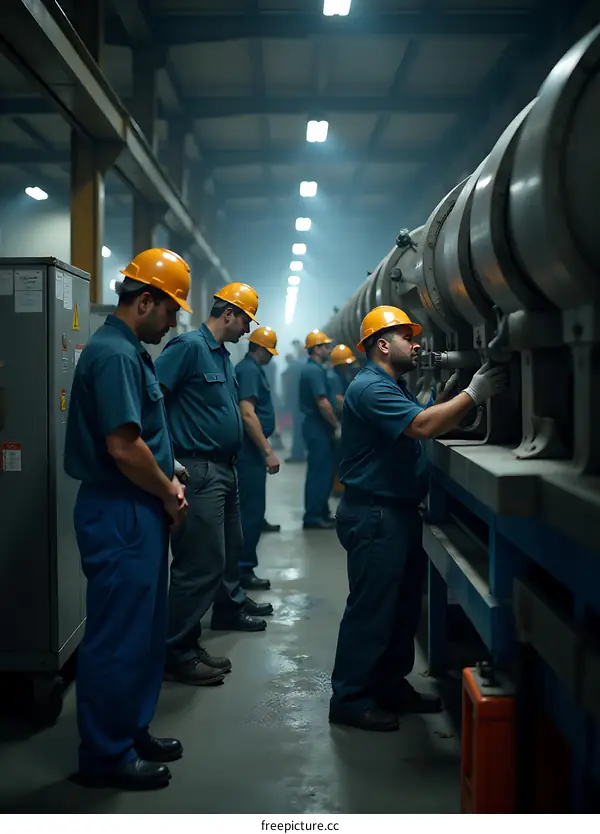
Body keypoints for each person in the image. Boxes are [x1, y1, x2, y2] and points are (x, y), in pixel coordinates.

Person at [329, 305, 507, 732]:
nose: (417, 343)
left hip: (396, 511)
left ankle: (390, 686)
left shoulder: (393, 385)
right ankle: (350, 698)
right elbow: (422, 428)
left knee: (401, 610)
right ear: (384, 345)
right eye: (408, 338)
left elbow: (420, 417)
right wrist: (473, 395)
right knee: (372, 610)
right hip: (375, 514)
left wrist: (444, 401)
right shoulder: (370, 387)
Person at [64, 248, 191, 790]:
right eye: (170, 311)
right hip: (121, 509)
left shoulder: (128, 350)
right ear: (145, 301)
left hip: (136, 504)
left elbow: (145, 439)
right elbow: (123, 446)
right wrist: (168, 493)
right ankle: (105, 753)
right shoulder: (114, 354)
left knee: (142, 633)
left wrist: (169, 475)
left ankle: (131, 728)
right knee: (118, 636)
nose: (173, 323)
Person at [155, 283, 273, 687]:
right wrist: (168, 461)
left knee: (223, 556)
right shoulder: (186, 348)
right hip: (198, 469)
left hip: (225, 468)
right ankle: (176, 652)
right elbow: (152, 399)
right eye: (245, 320)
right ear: (228, 313)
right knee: (198, 565)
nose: (246, 329)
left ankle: (188, 642)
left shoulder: (222, 356)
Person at [235, 326, 281, 591]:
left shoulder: (248, 368)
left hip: (250, 450)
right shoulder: (250, 370)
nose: (271, 357)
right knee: (250, 512)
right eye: (270, 352)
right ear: (260, 348)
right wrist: (267, 451)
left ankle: (242, 567)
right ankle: (242, 569)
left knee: (252, 510)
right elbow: (248, 414)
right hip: (250, 452)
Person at [299, 329, 340, 529]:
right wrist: (337, 426)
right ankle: (313, 516)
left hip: (317, 427)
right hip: (318, 427)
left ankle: (321, 511)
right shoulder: (314, 371)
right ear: (316, 349)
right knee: (319, 473)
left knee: (323, 471)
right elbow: (322, 403)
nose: (330, 350)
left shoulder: (314, 369)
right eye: (326, 346)